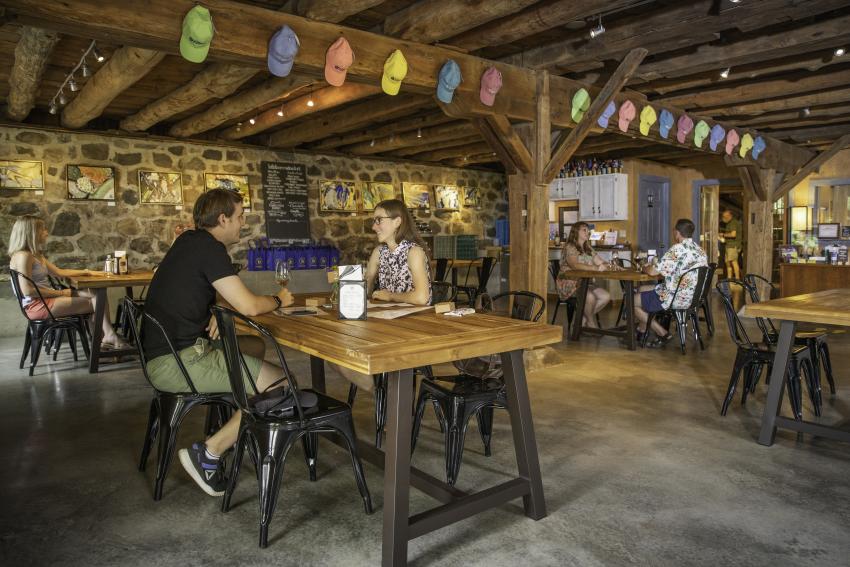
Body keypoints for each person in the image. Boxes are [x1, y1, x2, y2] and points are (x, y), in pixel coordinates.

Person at [140, 189, 293, 497]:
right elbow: (249, 306)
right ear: (222, 219)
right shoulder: (211, 250)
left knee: (253, 347)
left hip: (164, 352)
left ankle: (244, 422)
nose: (243, 224)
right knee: (280, 384)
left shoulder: (189, 242)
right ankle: (209, 452)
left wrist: (215, 309)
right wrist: (279, 299)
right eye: (239, 217)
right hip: (178, 362)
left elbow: (198, 288)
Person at [333, 199, 432, 391]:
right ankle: (383, 394)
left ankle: (387, 397)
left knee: (344, 356)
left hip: (413, 329)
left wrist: (390, 296)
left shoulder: (414, 252)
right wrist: (347, 286)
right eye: (374, 221)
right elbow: (366, 285)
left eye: (379, 220)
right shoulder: (380, 252)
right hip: (386, 324)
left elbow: (422, 298)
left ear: (397, 222)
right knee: (336, 355)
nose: (373, 226)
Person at [8, 215, 127, 350]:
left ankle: (102, 344)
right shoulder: (24, 256)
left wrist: (89, 272)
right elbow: (27, 291)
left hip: (46, 300)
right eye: (43, 230)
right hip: (38, 305)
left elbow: (59, 272)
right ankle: (105, 341)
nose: (46, 232)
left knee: (97, 295)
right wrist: (61, 292)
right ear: (31, 233)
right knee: (97, 301)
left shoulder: (34, 255)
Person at [633, 218, 708, 348]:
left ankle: (662, 333)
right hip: (693, 298)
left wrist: (643, 267)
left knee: (632, 301)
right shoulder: (700, 250)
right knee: (642, 289)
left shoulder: (677, 250)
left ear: (677, 232)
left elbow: (651, 272)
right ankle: (642, 330)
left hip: (674, 297)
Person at [555, 222, 612, 329]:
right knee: (589, 297)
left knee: (606, 296)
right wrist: (595, 268)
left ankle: (581, 321)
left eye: (588, 230)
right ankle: (591, 324)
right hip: (569, 283)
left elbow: (600, 261)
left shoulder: (588, 247)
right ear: (576, 232)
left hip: (584, 283)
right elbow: (575, 265)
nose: (587, 232)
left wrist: (610, 265)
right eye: (584, 230)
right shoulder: (570, 247)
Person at [720, 209, 741, 279]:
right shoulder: (729, 223)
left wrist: (723, 235)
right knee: (728, 263)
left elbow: (733, 234)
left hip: (732, 245)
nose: (723, 218)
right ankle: (729, 278)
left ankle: (737, 279)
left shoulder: (733, 223)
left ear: (729, 216)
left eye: (725, 217)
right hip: (729, 245)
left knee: (734, 262)